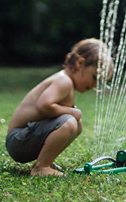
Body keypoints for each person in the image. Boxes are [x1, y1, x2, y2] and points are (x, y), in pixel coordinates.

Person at [6, 38, 108, 177]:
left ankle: (46, 161)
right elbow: (44, 106)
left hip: (23, 139)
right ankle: (41, 167)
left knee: (77, 124)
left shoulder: (67, 82)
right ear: (80, 64)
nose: (95, 85)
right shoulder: (63, 80)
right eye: (95, 77)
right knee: (70, 122)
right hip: (18, 140)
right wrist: (72, 111)